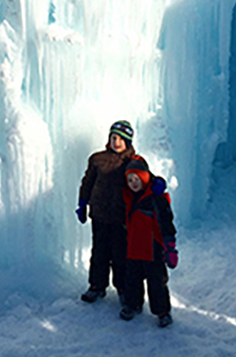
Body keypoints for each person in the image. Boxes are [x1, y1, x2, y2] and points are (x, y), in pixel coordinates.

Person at [76, 120, 139, 303]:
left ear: (128, 141)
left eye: (120, 138)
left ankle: (122, 288)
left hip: (121, 217)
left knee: (120, 254)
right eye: (113, 137)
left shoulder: (133, 162)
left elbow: (142, 183)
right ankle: (97, 286)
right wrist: (82, 203)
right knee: (99, 253)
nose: (116, 142)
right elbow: (87, 182)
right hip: (100, 214)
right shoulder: (97, 159)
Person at [120, 156, 178, 327]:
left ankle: (162, 311)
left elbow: (166, 222)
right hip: (134, 249)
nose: (133, 183)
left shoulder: (156, 198)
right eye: (130, 180)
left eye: (136, 178)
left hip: (153, 249)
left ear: (145, 178)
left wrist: (170, 246)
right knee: (132, 280)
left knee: (157, 282)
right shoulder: (130, 197)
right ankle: (132, 305)